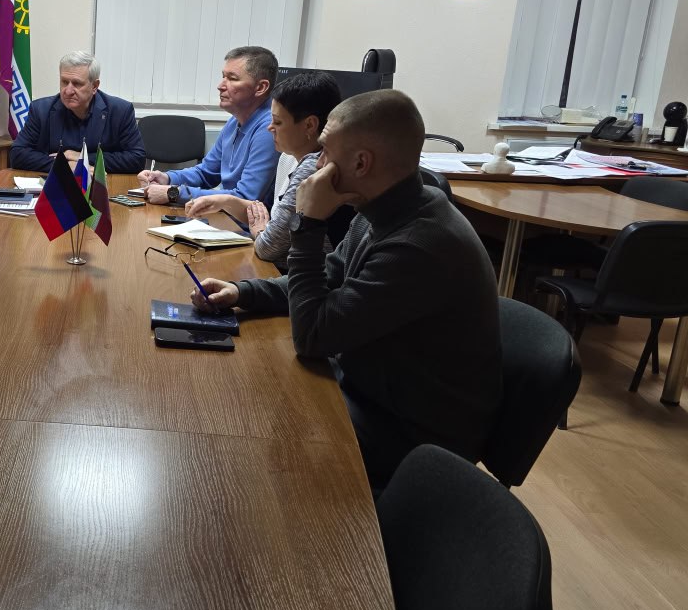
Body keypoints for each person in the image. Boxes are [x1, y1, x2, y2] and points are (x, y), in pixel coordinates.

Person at [190, 90, 501, 489]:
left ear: (360, 163)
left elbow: (313, 336)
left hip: (412, 437)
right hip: (372, 388)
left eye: (324, 151)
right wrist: (243, 292)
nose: (317, 163)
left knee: (244, 447)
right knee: (238, 396)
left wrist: (308, 223)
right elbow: (329, 274)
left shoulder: (419, 243)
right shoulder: (383, 207)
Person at [184, 72, 344, 264]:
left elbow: (269, 247)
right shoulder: (288, 157)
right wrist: (225, 201)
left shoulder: (312, 168)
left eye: (278, 122)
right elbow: (271, 217)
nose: (270, 128)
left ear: (309, 125)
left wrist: (260, 231)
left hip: (295, 272)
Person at [138, 46, 279, 207]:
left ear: (260, 88)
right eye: (223, 77)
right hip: (224, 214)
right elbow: (206, 172)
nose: (220, 85)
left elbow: (245, 197)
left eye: (232, 78)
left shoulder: (270, 128)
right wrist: (167, 178)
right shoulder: (234, 121)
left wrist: (174, 193)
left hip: (243, 221)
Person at [9, 51, 146, 173]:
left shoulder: (120, 111)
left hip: (102, 185)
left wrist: (82, 159)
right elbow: (17, 154)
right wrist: (63, 165)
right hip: (54, 184)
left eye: (77, 84)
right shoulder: (41, 110)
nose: (68, 91)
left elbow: (137, 158)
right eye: (64, 82)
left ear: (94, 86)